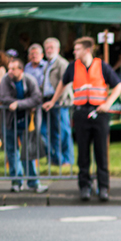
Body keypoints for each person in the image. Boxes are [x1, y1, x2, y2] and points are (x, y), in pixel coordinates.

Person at [43, 37, 121, 201]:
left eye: (77, 49)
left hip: (99, 112)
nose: (74, 52)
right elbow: (62, 83)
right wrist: (53, 101)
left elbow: (118, 85)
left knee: (101, 152)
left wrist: (108, 103)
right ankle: (85, 187)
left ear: (87, 50)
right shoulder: (73, 66)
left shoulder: (101, 66)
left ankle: (103, 187)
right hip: (80, 113)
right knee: (83, 153)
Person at [0, 57, 49, 194]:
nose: (10, 71)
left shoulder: (30, 80)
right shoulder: (5, 80)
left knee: (28, 151)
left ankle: (33, 182)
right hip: (10, 122)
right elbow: (3, 97)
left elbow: (37, 98)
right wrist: (23, 104)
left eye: (13, 69)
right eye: (9, 68)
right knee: (12, 151)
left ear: (21, 70)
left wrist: (19, 104)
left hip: (28, 122)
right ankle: (16, 181)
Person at [41, 37, 71, 167]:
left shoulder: (61, 63)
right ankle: (56, 159)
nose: (49, 50)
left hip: (60, 102)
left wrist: (57, 101)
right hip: (48, 100)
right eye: (47, 47)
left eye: (51, 47)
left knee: (63, 131)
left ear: (58, 49)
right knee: (51, 131)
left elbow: (65, 83)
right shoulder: (47, 64)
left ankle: (66, 160)